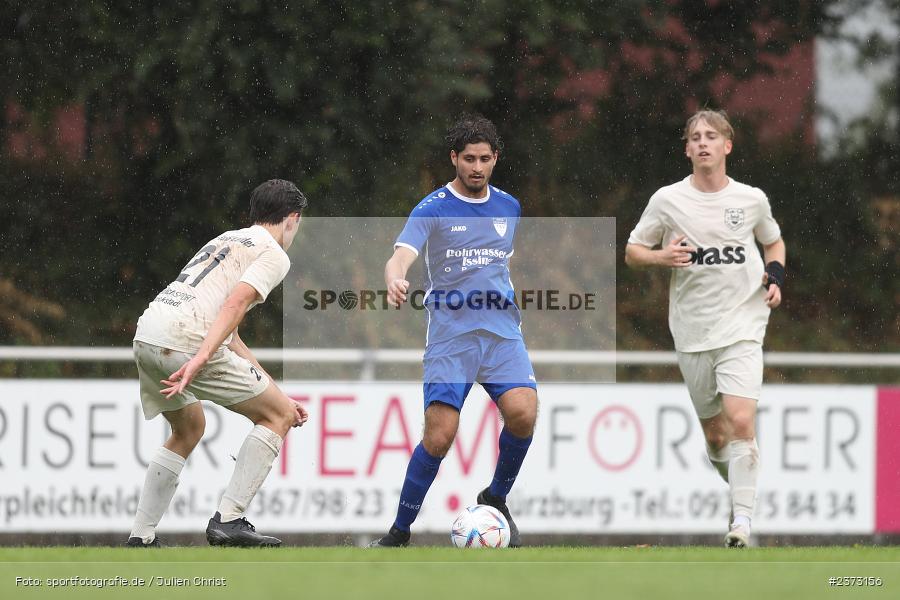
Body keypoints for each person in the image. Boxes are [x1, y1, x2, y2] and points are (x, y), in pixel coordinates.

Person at [369, 114, 538, 548]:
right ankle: (399, 530)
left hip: (501, 331)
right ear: (454, 159)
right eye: (468, 159)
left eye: (484, 158)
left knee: (523, 412)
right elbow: (401, 254)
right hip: (452, 335)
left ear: (495, 158)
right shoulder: (433, 208)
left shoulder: (509, 206)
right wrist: (395, 277)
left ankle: (495, 498)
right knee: (440, 435)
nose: (476, 167)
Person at [625, 110, 786, 548]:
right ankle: (736, 491)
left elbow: (773, 241)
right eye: (694, 137)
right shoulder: (667, 200)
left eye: (711, 136)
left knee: (740, 420)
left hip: (743, 323)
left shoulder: (751, 199)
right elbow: (633, 251)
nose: (702, 143)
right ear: (687, 149)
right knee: (716, 436)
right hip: (693, 330)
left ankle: (743, 522)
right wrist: (662, 258)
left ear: (727, 146)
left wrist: (776, 276)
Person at [127, 179, 310, 548]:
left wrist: (275, 390)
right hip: (184, 340)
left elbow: (231, 332)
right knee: (278, 417)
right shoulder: (274, 253)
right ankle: (230, 519)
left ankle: (141, 538)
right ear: (292, 218)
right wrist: (199, 358)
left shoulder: (226, 238)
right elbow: (236, 305)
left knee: (189, 426)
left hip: (148, 335)